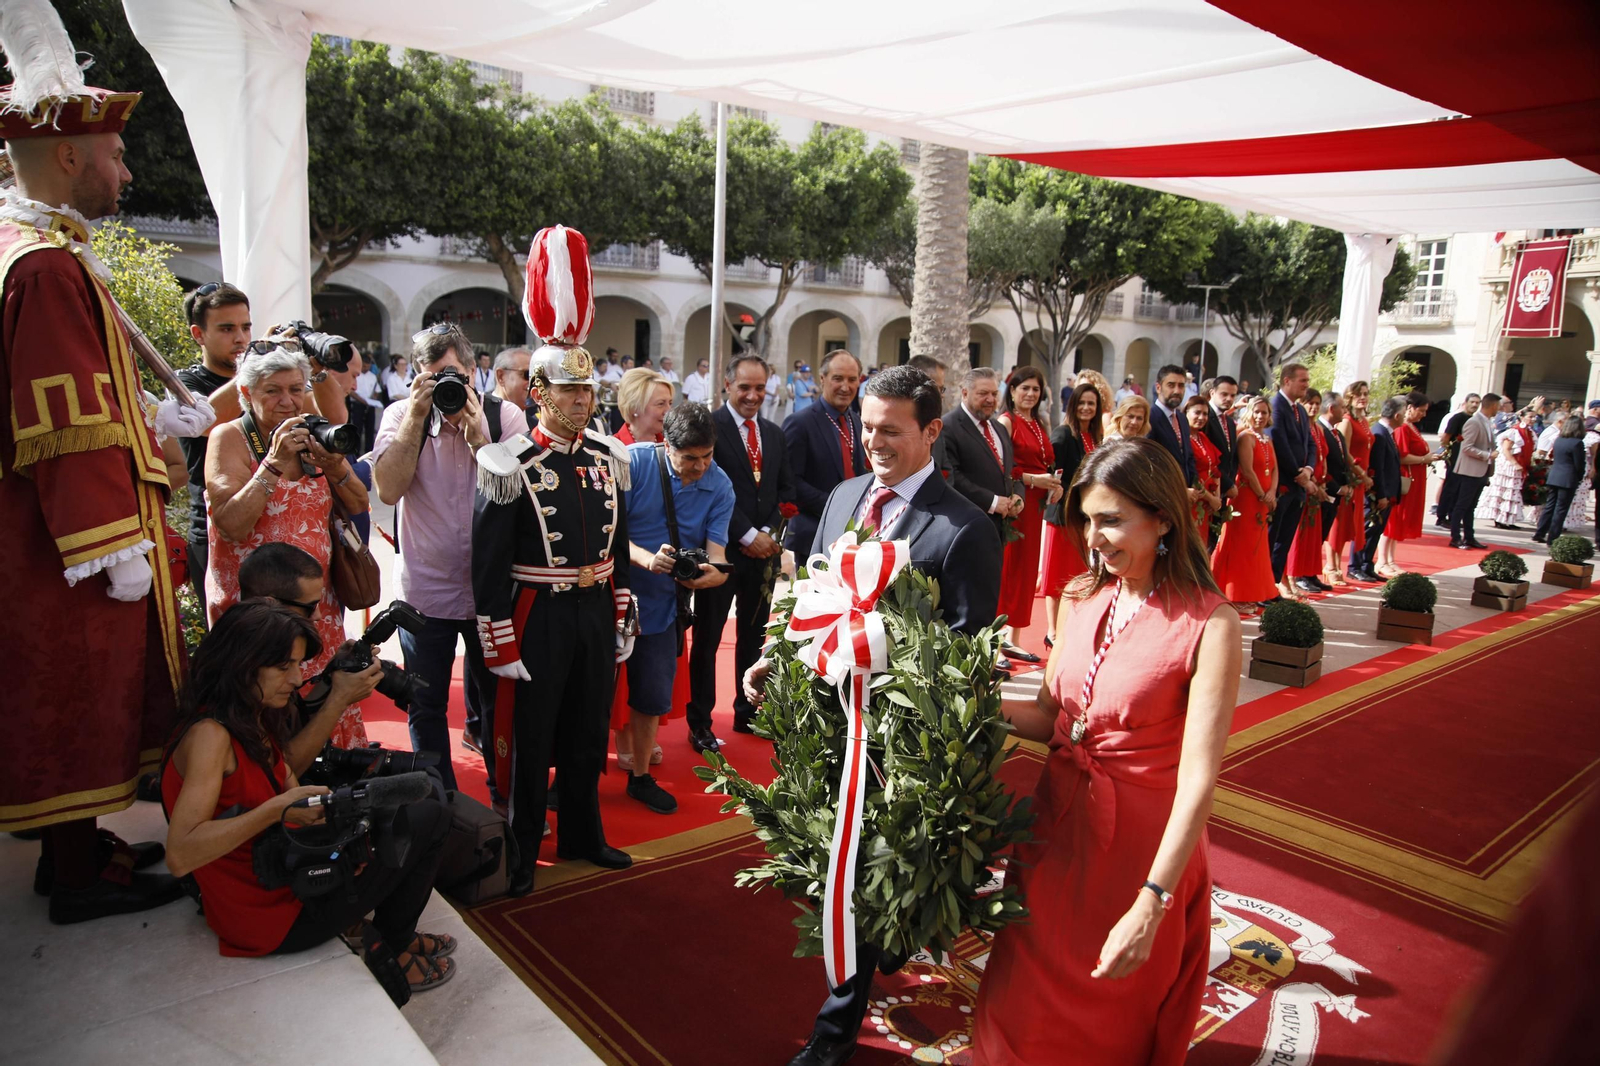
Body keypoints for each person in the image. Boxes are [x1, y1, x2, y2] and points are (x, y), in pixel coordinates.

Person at [0, 30, 207, 922]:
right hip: (72, 541)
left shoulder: (42, 247)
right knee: (77, 692)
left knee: (73, 692)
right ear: (72, 153)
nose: (125, 174)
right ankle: (77, 874)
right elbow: (64, 422)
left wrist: (155, 417)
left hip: (59, 528)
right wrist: (110, 540)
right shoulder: (44, 264)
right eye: (116, 156)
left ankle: (75, 848)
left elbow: (91, 394)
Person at [742, 365, 1001, 1066]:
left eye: (891, 429)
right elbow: (813, 594)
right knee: (843, 874)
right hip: (830, 729)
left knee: (860, 880)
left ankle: (832, 1037)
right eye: (868, 426)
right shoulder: (845, 497)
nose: (875, 440)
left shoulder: (965, 529)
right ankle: (882, 943)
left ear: (931, 432)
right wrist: (776, 652)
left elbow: (969, 657)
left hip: (896, 747)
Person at [973, 436, 1241, 1066]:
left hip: (1137, 856)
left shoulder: (1212, 623)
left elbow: (1199, 783)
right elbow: (1047, 716)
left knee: (1109, 1021)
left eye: (1112, 520)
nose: (1093, 537)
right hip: (1053, 828)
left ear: (1164, 518)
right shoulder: (1076, 595)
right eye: (1087, 520)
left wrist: (1153, 902)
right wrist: (944, 701)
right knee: (1017, 999)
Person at [160, 602, 457, 991]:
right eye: (284, 667)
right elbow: (180, 856)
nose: (297, 678)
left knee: (419, 795)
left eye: (298, 665)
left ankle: (382, 931)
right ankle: (395, 944)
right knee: (433, 815)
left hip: (280, 881)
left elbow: (285, 785)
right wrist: (275, 812)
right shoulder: (210, 737)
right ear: (242, 664)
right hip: (269, 919)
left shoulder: (248, 711)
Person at [473, 228, 636, 894]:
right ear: (538, 394)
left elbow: (617, 546)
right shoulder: (507, 464)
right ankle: (519, 847)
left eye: (588, 392)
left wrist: (621, 608)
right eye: (569, 393)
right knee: (531, 735)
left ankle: (583, 832)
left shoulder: (609, 458)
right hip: (536, 613)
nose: (582, 402)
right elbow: (485, 565)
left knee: (587, 726)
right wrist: (497, 636)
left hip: (594, 608)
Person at [371, 325, 524, 787]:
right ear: (417, 378)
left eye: (454, 374)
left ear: (475, 370)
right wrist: (418, 418)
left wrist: (479, 438)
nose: (447, 387)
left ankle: (508, 794)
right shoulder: (400, 416)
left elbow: (517, 498)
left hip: (492, 594)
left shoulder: (507, 417)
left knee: (500, 701)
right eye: (433, 377)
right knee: (425, 702)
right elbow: (389, 488)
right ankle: (438, 803)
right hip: (427, 593)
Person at [204, 339, 371, 746]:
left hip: (318, 609)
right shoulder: (230, 437)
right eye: (273, 391)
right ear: (246, 394)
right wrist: (273, 463)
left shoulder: (313, 433)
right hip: (256, 618)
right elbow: (230, 524)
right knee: (263, 722)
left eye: (296, 390)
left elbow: (359, 503)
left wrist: (334, 466)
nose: (288, 402)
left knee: (322, 712)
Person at [621, 405, 734, 813]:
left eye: (707, 456)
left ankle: (640, 779)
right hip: (609, 599)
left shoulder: (720, 485)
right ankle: (571, 779)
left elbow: (719, 558)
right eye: (690, 458)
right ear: (665, 445)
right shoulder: (632, 464)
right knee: (591, 693)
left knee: (651, 695)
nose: (701, 467)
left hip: (661, 608)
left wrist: (709, 577)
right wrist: (647, 559)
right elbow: (608, 533)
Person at [687, 354, 795, 750]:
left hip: (763, 555)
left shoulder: (775, 433)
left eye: (760, 388)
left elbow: (786, 492)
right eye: (745, 387)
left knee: (753, 637)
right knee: (708, 638)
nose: (753, 396)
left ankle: (747, 712)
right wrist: (747, 534)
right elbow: (707, 489)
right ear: (727, 385)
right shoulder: (708, 428)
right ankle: (700, 722)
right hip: (720, 553)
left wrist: (768, 533)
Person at [608, 367, 682, 769]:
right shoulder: (616, 452)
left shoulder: (671, 450)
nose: (667, 412)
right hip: (625, 578)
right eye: (660, 404)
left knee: (652, 675)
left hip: (662, 587)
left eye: (671, 404)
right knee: (622, 671)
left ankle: (642, 737)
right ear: (634, 409)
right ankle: (624, 738)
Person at [996, 366, 1063, 656]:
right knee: (1009, 570)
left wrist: (1053, 485)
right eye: (1025, 388)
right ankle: (996, 641)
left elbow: (1045, 462)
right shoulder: (1006, 421)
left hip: (1037, 506)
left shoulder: (1040, 422)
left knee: (1025, 573)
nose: (1031, 394)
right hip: (1017, 503)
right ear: (1012, 391)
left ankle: (1015, 639)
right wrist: (1034, 480)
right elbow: (1001, 468)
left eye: (1036, 389)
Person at [784, 349, 867, 554]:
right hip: (813, 533)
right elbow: (790, 481)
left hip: (852, 533)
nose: (845, 387)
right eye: (837, 378)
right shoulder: (800, 423)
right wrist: (836, 506)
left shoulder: (856, 421)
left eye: (852, 379)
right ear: (822, 379)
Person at [1040, 382, 1103, 645]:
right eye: (1082, 403)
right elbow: (1053, 471)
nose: (1086, 408)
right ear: (1073, 405)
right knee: (1056, 576)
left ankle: (1070, 626)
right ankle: (1053, 631)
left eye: (1091, 403)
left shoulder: (1094, 436)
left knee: (1077, 575)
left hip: (1083, 517)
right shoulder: (1064, 434)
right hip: (1062, 516)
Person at [1211, 396, 1279, 612]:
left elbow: (1275, 469)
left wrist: (1272, 492)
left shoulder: (1267, 439)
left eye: (1264, 412)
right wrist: (1262, 495)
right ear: (1250, 412)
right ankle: (1234, 594)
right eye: (1257, 412)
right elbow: (1247, 471)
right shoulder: (1246, 437)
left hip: (1263, 500)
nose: (1260, 416)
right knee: (1241, 546)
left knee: (1256, 548)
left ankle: (1250, 593)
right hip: (1248, 499)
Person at [942, 367, 1023, 547]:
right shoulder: (948, 427)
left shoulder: (998, 428)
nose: (990, 400)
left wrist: (1018, 495)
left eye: (994, 394)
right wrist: (992, 502)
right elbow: (952, 477)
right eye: (983, 393)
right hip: (968, 528)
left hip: (999, 529)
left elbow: (1012, 468)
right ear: (965, 393)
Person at [1268, 363, 1315, 594]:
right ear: (1287, 381)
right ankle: (1264, 585)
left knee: (1284, 539)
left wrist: (1308, 469)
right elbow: (1278, 442)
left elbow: (1310, 443)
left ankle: (1273, 584)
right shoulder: (1276, 407)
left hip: (1299, 485)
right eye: (1302, 380)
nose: (1307, 385)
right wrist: (1299, 475)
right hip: (1283, 484)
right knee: (1272, 537)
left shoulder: (1301, 410)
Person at [1377, 390, 1436, 571]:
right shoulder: (1403, 428)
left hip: (1413, 477)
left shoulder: (1411, 426)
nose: (1424, 414)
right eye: (1422, 410)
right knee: (1393, 520)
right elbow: (1401, 456)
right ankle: (1382, 560)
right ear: (1410, 408)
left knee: (1399, 521)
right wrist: (1424, 459)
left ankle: (1391, 560)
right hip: (1404, 477)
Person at [1286, 388, 1333, 596]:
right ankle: (1294, 575)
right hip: (1306, 485)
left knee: (1313, 536)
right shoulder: (1303, 427)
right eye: (1309, 403)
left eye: (1316, 403)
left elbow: (1321, 456)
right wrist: (1311, 480)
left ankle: (1310, 572)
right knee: (1299, 534)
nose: (1313, 407)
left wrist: (1322, 483)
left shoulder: (1318, 428)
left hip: (1318, 486)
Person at [1355, 397, 1406, 580]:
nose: (1405, 417)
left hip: (1388, 493)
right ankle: (1357, 565)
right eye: (1404, 413)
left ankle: (1367, 564)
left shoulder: (1387, 433)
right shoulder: (1380, 433)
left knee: (1376, 530)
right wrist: (1381, 494)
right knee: (1368, 528)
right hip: (1378, 494)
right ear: (1397, 414)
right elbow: (1378, 468)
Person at [1330, 381, 1374, 580]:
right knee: (1339, 524)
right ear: (1349, 397)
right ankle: (1331, 567)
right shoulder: (1347, 421)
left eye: (1365, 394)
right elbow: (1343, 453)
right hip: (1351, 478)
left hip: (1360, 479)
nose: (1363, 397)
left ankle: (1338, 565)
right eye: (1359, 394)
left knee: (1349, 525)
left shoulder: (1364, 421)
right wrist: (1358, 474)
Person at [1448, 392, 1500, 550]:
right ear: (1492, 406)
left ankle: (1469, 537)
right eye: (1497, 406)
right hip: (1470, 471)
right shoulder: (1474, 422)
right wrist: (1487, 455)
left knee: (1471, 506)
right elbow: (1466, 447)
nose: (1499, 409)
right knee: (1462, 505)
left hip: (1481, 471)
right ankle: (1455, 537)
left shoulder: (1486, 422)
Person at [1316, 393, 1354, 587]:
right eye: (1342, 407)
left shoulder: (1336, 433)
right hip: (1326, 491)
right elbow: (1323, 463)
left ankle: (1311, 573)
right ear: (1331, 409)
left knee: (1322, 534)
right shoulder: (1319, 430)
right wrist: (1337, 488)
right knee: (1316, 534)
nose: (1345, 411)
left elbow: (1343, 461)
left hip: (1337, 493)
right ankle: (1304, 575)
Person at [1478, 407, 1536, 531]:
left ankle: (1508, 519)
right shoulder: (1514, 432)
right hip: (1509, 466)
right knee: (1504, 491)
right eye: (1530, 416)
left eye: (1534, 417)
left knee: (1513, 493)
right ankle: (1499, 519)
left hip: (1520, 465)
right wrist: (1515, 463)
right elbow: (1506, 449)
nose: (1533, 419)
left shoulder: (1530, 432)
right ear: (1522, 417)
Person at [1533, 416, 1589, 542]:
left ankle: (1540, 532)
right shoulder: (1577, 443)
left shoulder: (1559, 440)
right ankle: (1553, 537)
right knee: (1561, 509)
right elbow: (1579, 464)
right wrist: (1580, 477)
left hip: (1554, 476)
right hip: (1568, 478)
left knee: (1550, 506)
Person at [1202, 375, 1240, 548]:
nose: (1229, 399)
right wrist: (1227, 484)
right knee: (1204, 540)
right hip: (1207, 489)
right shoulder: (1203, 417)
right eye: (1224, 394)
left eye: (1233, 395)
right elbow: (1207, 458)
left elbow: (1231, 457)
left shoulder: (1230, 422)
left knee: (1213, 539)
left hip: (1224, 491)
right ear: (1212, 393)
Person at [1147, 364, 1198, 490]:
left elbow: (1188, 456)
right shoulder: (1149, 418)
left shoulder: (1182, 418)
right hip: (1162, 493)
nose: (1177, 391)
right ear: (1158, 387)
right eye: (1171, 385)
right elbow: (1150, 462)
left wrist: (1193, 485)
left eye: (1181, 386)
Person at [1435, 394, 1481, 529]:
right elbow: (1446, 437)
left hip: (1465, 459)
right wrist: (1446, 452)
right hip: (1454, 458)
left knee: (1459, 490)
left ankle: (1451, 516)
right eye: (1472, 402)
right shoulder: (1457, 418)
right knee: (1450, 488)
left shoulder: (1474, 419)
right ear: (1465, 403)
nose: (1474, 405)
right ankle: (1441, 516)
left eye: (1477, 403)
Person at [1185, 397, 1222, 540]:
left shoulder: (1202, 437)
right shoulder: (1183, 439)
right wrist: (1210, 498)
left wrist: (1216, 498)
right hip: (1193, 498)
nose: (1201, 417)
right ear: (1186, 412)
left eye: (1205, 414)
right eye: (1197, 413)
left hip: (1207, 503)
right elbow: (1191, 475)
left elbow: (1216, 469)